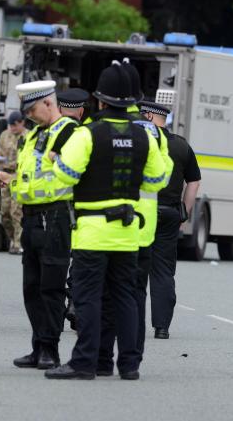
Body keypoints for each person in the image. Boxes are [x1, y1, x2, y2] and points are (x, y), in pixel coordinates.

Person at [46, 62, 170, 380]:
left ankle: (85, 362)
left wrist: (57, 162)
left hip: (92, 231)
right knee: (127, 297)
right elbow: (157, 180)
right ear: (133, 101)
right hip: (129, 231)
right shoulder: (146, 136)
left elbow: (66, 174)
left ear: (100, 101)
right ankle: (129, 365)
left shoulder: (88, 134)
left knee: (88, 297)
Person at [0, 80, 78, 371]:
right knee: (31, 286)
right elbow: (29, 176)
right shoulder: (32, 137)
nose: (29, 116)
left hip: (55, 216)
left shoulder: (70, 133)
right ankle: (37, 346)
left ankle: (50, 350)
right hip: (31, 215)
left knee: (51, 287)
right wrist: (11, 180)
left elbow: (63, 178)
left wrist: (20, 184)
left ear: (48, 103)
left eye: (32, 110)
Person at [97, 61, 172, 373]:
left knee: (104, 295)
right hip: (143, 226)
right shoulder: (154, 132)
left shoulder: (99, 129)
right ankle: (131, 361)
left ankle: (101, 359)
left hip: (104, 225)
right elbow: (162, 175)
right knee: (133, 296)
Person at [140, 99, 200, 340]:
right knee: (163, 271)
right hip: (169, 213)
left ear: (148, 117)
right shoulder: (182, 146)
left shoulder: (142, 141)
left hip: (142, 213)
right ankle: (161, 327)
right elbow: (194, 182)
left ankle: (128, 322)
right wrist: (183, 213)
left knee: (134, 269)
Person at [56, 87, 90, 331]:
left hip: (52, 207)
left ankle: (54, 312)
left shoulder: (49, 133)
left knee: (55, 261)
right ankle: (76, 306)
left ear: (59, 108)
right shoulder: (88, 134)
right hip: (81, 207)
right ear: (82, 111)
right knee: (79, 261)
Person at [0, 111, 26, 255]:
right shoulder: (4, 135)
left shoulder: (28, 136)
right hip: (5, 174)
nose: (12, 127)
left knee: (16, 211)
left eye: (15, 125)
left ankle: (18, 243)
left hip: (18, 175)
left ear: (22, 123)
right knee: (4, 211)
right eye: (10, 125)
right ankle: (12, 238)